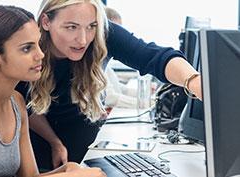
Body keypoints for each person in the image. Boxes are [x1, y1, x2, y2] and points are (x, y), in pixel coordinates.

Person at [16, 0, 202, 171]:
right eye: (71, 27)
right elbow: (23, 105)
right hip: (40, 153)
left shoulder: (103, 33)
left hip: (85, 147)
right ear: (46, 22)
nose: (82, 40)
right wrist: (54, 142)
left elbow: (152, 56)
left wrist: (194, 81)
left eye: (91, 26)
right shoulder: (29, 47)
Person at [0, 5, 106, 177]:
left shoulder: (17, 101)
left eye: (38, 44)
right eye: (26, 48)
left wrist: (68, 170)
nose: (40, 55)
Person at [104, 7, 138, 109]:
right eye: (115, 32)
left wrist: (149, 96)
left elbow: (119, 88)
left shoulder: (105, 61)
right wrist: (145, 104)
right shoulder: (94, 61)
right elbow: (110, 98)